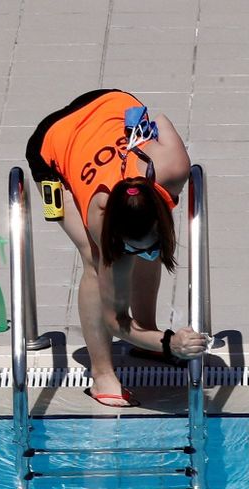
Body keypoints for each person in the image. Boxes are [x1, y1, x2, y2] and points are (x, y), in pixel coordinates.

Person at [25, 89, 209, 407]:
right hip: (53, 143)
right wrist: (171, 344)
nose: (143, 254)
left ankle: (147, 335)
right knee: (94, 261)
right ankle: (102, 375)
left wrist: (139, 134)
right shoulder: (102, 222)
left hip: (109, 102)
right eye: (132, 247)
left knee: (146, 256)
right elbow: (115, 320)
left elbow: (161, 120)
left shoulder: (173, 167)